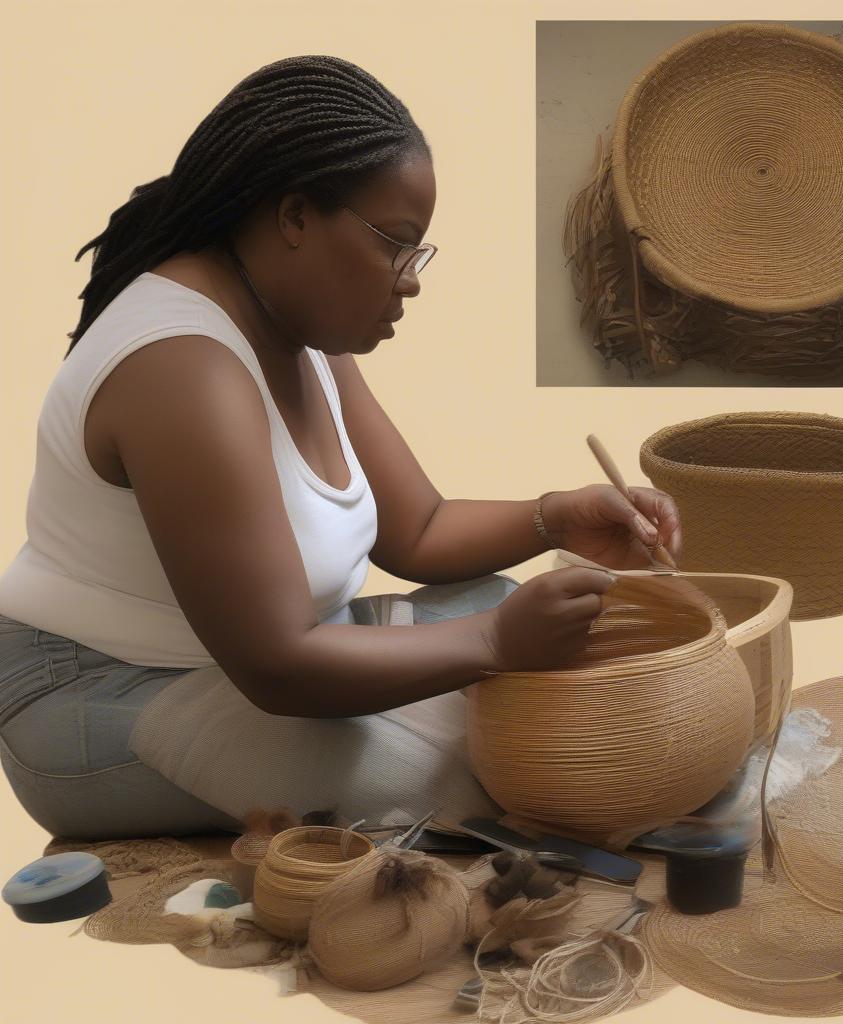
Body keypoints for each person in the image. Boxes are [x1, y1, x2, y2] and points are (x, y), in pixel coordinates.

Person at [0, 55, 683, 841]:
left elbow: (418, 529)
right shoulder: (183, 370)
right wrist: (493, 645)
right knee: (473, 778)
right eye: (395, 245)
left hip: (253, 664)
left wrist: (559, 518)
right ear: (295, 218)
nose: (410, 280)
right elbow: (278, 666)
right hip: (100, 695)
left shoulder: (299, 327)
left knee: (499, 600)